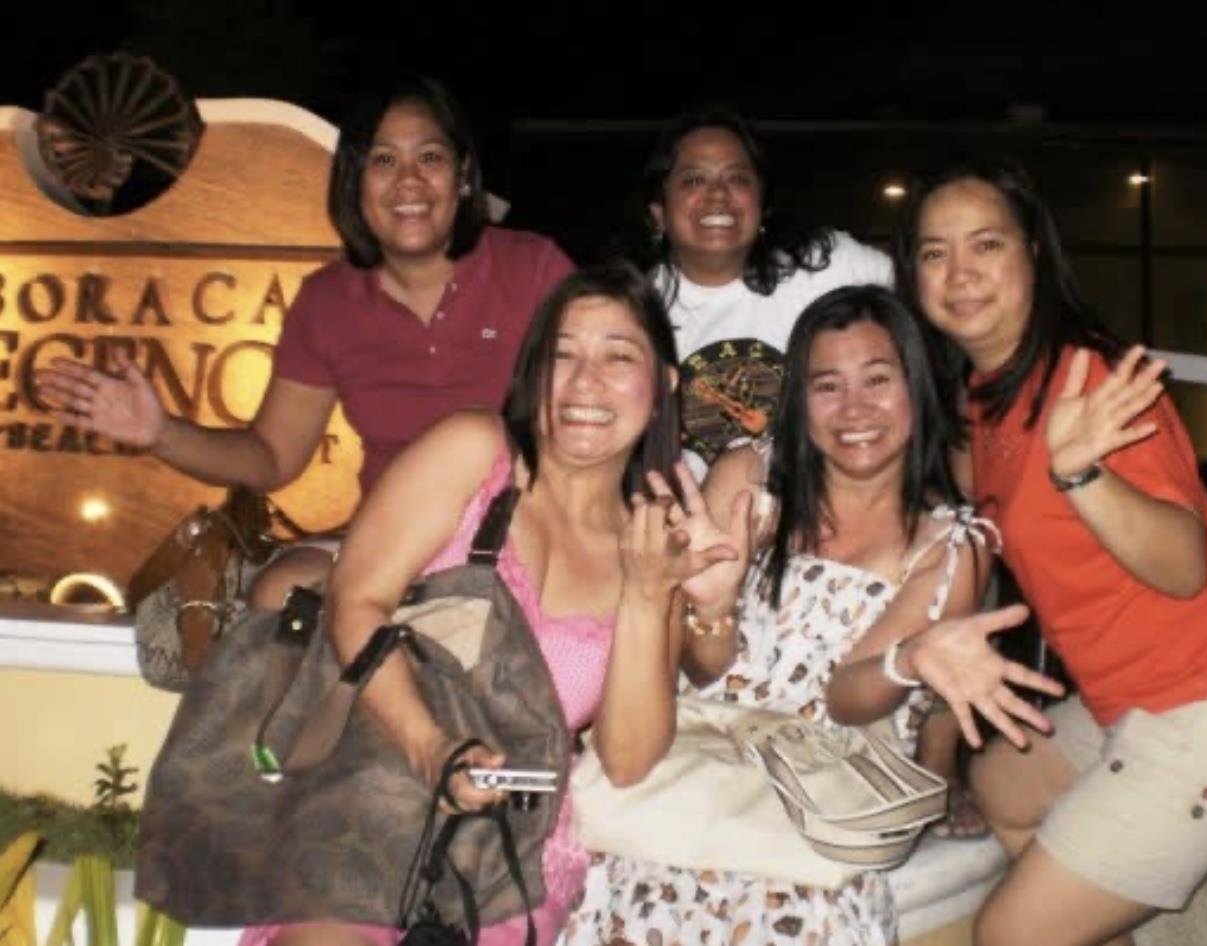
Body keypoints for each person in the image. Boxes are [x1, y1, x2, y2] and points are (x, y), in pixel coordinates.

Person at [245, 262, 739, 946]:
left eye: (618, 357)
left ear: (664, 385)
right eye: (562, 355)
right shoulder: (474, 452)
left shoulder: (653, 542)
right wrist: (432, 748)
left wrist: (649, 593)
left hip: (511, 851)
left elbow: (626, 758)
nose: (584, 381)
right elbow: (357, 601)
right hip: (368, 800)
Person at [562, 284, 1062, 946]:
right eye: (827, 386)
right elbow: (703, 671)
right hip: (696, 767)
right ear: (800, 398)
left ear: (916, 388)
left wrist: (908, 660)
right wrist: (712, 608)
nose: (854, 409)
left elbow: (848, 700)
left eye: (878, 380)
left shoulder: (950, 545)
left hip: (821, 798)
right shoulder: (748, 478)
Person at [897, 156, 1207, 946]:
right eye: (935, 253)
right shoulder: (981, 397)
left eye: (986, 245)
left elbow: (1186, 568)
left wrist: (1080, 473)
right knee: (1002, 783)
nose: (960, 273)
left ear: (1033, 254)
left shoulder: (1091, 380)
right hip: (1124, 699)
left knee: (1009, 935)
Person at [35, 75, 572, 604]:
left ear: (463, 176)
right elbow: (272, 457)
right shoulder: (329, 301)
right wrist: (160, 433)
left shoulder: (534, 269)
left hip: (525, 538)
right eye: (383, 160)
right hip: (391, 544)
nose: (408, 180)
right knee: (278, 593)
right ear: (355, 182)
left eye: (429, 158)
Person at [642, 105, 892, 476]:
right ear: (660, 213)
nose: (718, 194)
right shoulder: (635, 312)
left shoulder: (823, 267)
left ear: (761, 203)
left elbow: (931, 297)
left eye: (738, 178)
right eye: (694, 180)